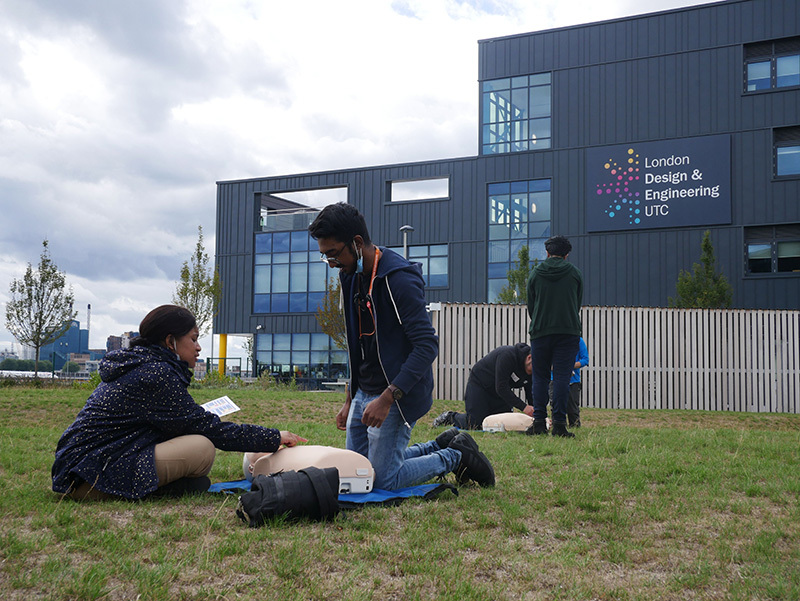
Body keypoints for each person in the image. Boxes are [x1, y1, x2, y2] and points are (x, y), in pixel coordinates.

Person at [308, 202, 494, 489]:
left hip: (396, 392)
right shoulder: (349, 276)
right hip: (363, 390)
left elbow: (426, 345)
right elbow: (356, 342)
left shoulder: (399, 278)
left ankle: (457, 456)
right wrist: (349, 399)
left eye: (333, 254)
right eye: (325, 257)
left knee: (383, 480)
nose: (332, 264)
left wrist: (387, 398)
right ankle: (439, 443)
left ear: (357, 243)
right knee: (357, 472)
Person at [51, 305, 307, 501]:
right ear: (170, 341)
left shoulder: (141, 364)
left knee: (193, 444)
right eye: (193, 339)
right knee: (201, 447)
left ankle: (168, 486)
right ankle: (144, 489)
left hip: (79, 467)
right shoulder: (155, 374)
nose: (197, 348)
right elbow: (209, 429)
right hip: (90, 476)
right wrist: (273, 437)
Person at [526, 236, 583, 438]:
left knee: (540, 377)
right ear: (566, 255)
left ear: (547, 253)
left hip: (541, 332)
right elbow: (576, 303)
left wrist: (541, 320)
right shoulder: (575, 274)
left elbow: (531, 305)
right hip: (568, 332)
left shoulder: (535, 274)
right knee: (561, 377)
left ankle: (539, 423)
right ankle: (559, 424)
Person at [433, 343, 533, 430]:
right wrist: (524, 407)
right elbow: (502, 387)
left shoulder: (533, 372)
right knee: (474, 423)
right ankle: (450, 417)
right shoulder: (507, 355)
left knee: (504, 424)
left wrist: (537, 414)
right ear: (529, 358)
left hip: (499, 394)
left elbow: (531, 393)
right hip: (480, 385)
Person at [548, 337, 589, 428]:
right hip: (554, 379)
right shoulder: (552, 340)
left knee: (573, 410)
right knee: (555, 406)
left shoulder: (578, 340)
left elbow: (585, 360)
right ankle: (557, 427)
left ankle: (574, 427)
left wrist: (570, 365)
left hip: (573, 380)